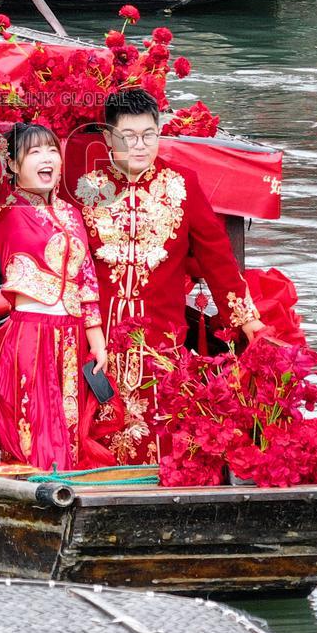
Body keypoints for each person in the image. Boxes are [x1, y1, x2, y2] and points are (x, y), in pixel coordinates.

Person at [62, 88, 266, 465]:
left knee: (161, 432)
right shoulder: (81, 187)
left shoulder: (182, 185)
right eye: (128, 137)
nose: (140, 146)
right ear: (108, 138)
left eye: (149, 135)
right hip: (93, 334)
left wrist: (248, 321)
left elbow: (218, 259)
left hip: (161, 336)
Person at [0, 91, 109, 472]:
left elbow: (87, 279)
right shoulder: (4, 208)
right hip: (30, 335)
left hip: (73, 335)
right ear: (12, 164)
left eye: (51, 150)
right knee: (36, 430)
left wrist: (98, 344)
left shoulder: (70, 212)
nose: (47, 159)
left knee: (71, 426)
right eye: (34, 153)